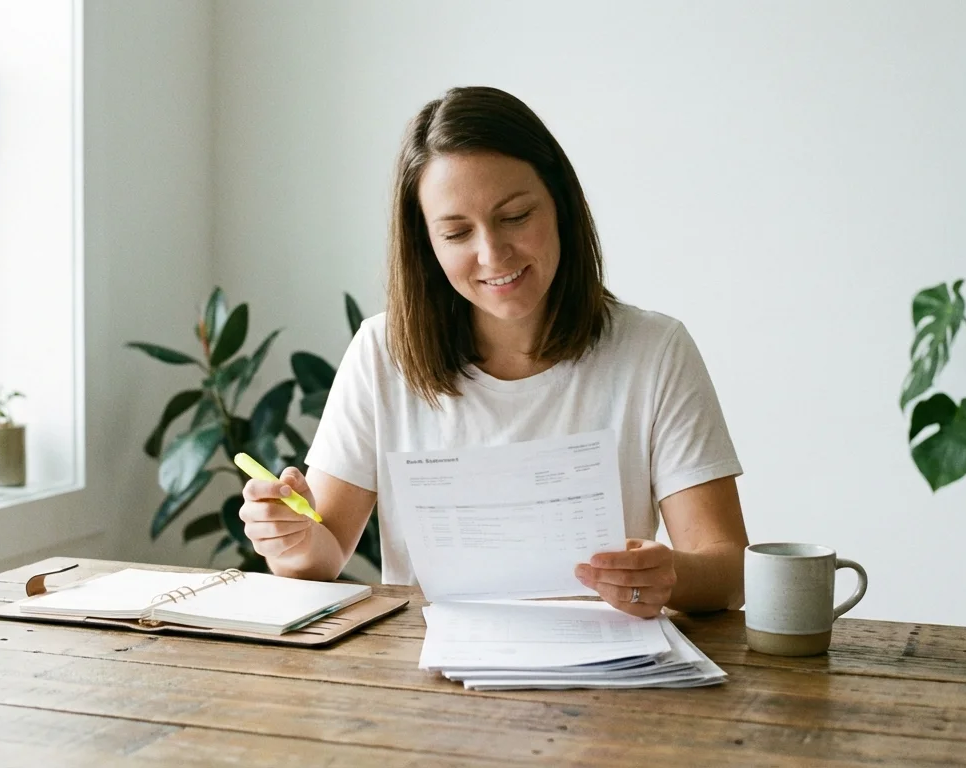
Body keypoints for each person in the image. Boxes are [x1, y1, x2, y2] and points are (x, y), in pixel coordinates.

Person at [239, 86, 749, 617]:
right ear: (427, 246)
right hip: (428, 677)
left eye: (515, 217)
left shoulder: (653, 351)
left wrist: (671, 574)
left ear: (561, 205)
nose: (492, 253)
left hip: (606, 676)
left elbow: (729, 570)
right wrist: (292, 538)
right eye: (457, 232)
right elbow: (323, 557)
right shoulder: (381, 352)